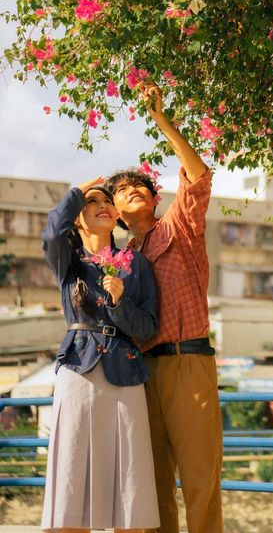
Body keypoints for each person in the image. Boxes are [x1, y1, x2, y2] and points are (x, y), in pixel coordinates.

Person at [104, 83, 223, 533]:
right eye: (122, 190)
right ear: (114, 211)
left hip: (188, 362)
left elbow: (198, 176)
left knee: (199, 481)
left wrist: (162, 120)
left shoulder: (178, 224)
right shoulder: (123, 258)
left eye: (141, 186)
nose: (133, 189)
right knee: (151, 491)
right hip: (141, 372)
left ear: (155, 199)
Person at [41, 178, 160, 533]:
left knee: (130, 481)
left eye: (108, 200)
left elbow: (148, 326)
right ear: (78, 217)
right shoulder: (68, 261)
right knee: (72, 476)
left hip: (125, 371)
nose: (104, 204)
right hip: (78, 367)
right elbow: (50, 233)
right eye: (94, 202)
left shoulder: (136, 264)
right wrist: (78, 192)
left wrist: (121, 301)